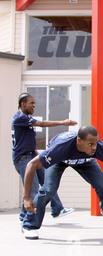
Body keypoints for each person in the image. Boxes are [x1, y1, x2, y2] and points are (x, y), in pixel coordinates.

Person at [21, 125, 103, 240]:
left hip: (84, 161)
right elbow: (31, 165)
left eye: (95, 143)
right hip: (59, 159)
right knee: (49, 190)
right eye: (90, 144)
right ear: (79, 141)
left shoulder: (97, 147)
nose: (94, 147)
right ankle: (29, 225)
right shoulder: (61, 147)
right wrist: (27, 197)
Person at [12, 92, 77, 222]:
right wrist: (63, 122)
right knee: (33, 189)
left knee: (48, 183)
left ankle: (57, 209)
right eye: (31, 103)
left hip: (31, 155)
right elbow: (41, 124)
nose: (34, 106)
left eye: (34, 103)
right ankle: (25, 217)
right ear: (22, 104)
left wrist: (36, 152)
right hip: (23, 159)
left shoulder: (25, 118)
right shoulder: (20, 117)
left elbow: (23, 140)